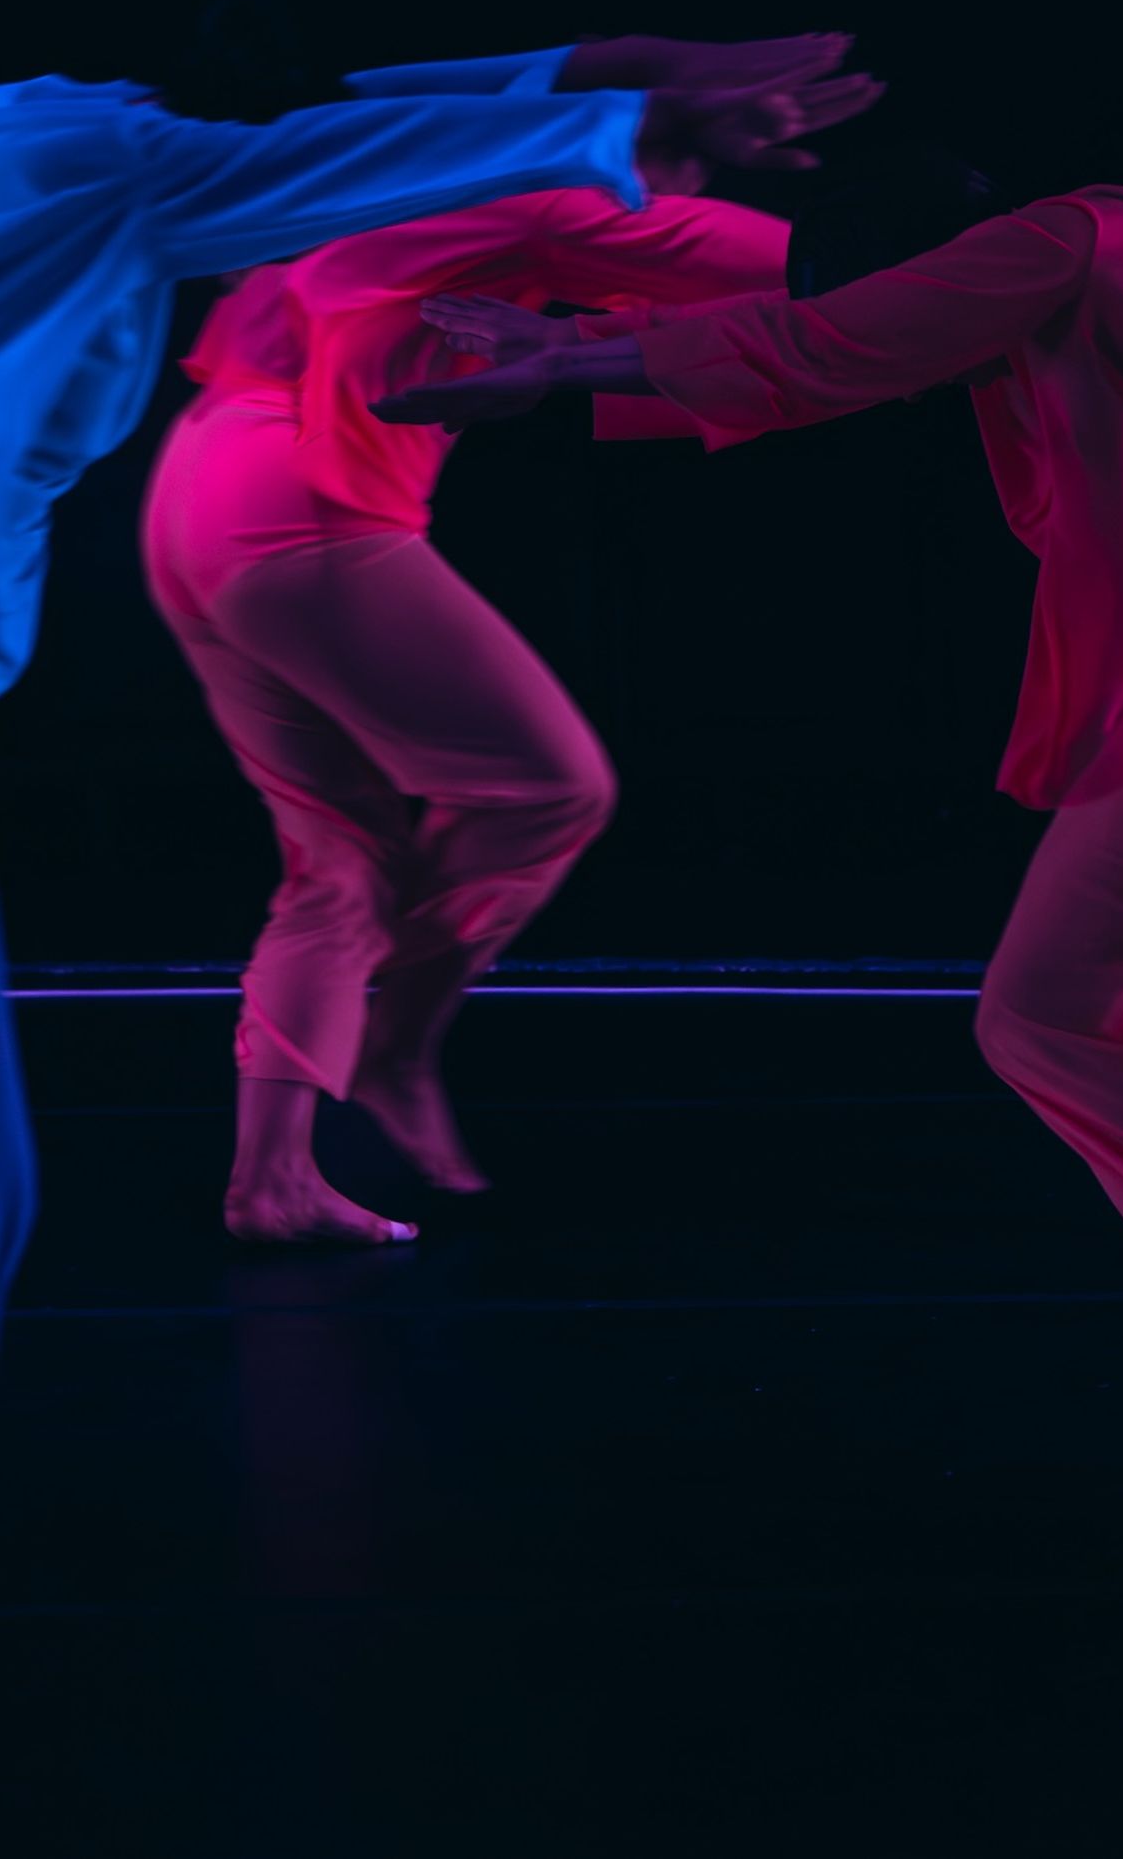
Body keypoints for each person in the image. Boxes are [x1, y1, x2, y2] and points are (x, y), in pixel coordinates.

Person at [0, 30, 873, 1738]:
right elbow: (315, 159)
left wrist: (599, 71)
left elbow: (336, 124)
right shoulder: (97, 162)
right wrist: (627, 119)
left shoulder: (17, 145)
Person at [379, 155, 1123, 1496]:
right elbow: (843, 360)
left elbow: (834, 348)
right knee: (1037, 1011)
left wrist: (564, 359)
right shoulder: (1051, 323)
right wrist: (581, 353)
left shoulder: (1087, 239)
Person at [148, 183, 790, 1244]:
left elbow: (664, 337)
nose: (779, 149)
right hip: (296, 507)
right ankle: (395, 1034)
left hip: (197, 491)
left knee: (340, 858)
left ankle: (273, 1178)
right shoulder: (554, 199)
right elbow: (812, 273)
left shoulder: (417, 185)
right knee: (549, 786)